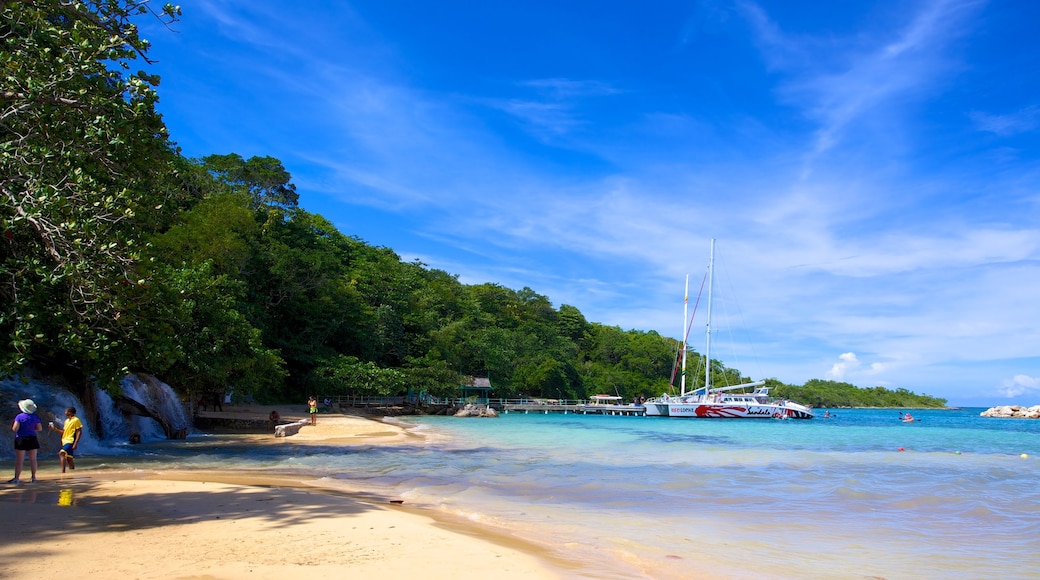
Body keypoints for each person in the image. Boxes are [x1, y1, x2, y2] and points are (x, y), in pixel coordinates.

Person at [9, 399, 43, 484]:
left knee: (19, 460)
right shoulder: (35, 417)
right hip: (32, 438)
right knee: (33, 459)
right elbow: (39, 428)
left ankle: (17, 478)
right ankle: (34, 477)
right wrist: (31, 429)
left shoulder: (19, 417)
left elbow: (15, 429)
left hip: (21, 438)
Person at [48, 407, 82, 472]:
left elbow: (79, 432)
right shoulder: (66, 421)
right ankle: (73, 472)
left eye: (66, 411)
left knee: (61, 453)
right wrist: (54, 429)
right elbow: (63, 432)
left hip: (71, 440)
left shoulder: (76, 420)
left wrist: (76, 443)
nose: (65, 412)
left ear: (70, 412)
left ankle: (63, 472)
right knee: (69, 458)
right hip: (65, 441)